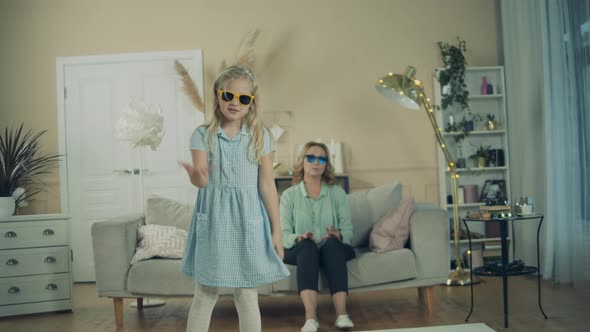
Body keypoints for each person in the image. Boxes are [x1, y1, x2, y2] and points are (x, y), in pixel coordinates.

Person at [180, 65, 289, 332]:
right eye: (228, 95)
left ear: (252, 103)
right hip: (214, 221)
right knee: (205, 293)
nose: (234, 103)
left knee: (247, 294)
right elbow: (202, 179)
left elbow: (267, 185)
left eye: (243, 98)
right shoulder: (202, 135)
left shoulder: (261, 136)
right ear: (218, 95)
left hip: (248, 221)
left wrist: (276, 231)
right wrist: (196, 177)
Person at [280, 142, 355, 332]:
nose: (316, 162)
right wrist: (299, 237)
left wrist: (339, 235)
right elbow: (283, 234)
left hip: (332, 248)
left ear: (326, 164)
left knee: (331, 245)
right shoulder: (289, 196)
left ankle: (342, 315)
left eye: (321, 158)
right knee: (307, 247)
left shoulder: (337, 194)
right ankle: (311, 318)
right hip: (302, 249)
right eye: (311, 157)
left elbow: (348, 231)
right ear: (302, 161)